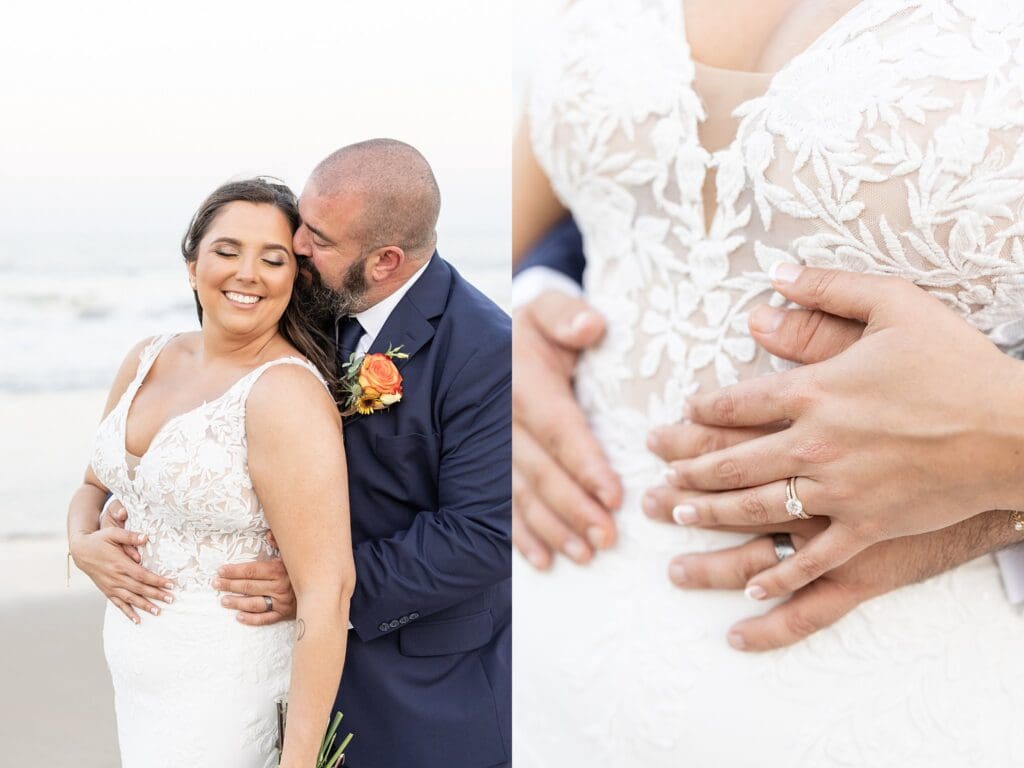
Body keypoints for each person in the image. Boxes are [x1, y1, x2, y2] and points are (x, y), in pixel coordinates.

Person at [512, 1, 1024, 765]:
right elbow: (568, 203)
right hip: (549, 637)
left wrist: (1003, 439)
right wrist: (513, 327)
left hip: (903, 688)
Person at [103, 140, 512, 768]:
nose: (294, 248)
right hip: (259, 663)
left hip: (420, 684)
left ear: (385, 262)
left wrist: (320, 584)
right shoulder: (314, 302)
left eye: (315, 238)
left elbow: (485, 534)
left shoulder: (487, 353)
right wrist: (113, 514)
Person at [68, 178, 355, 768]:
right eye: (227, 251)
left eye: (272, 259)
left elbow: (328, 593)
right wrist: (81, 542)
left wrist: (299, 762)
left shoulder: (284, 395)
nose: (248, 273)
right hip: (140, 679)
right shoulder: (149, 356)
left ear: (294, 278)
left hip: (227, 692)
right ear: (192, 263)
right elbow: (94, 485)